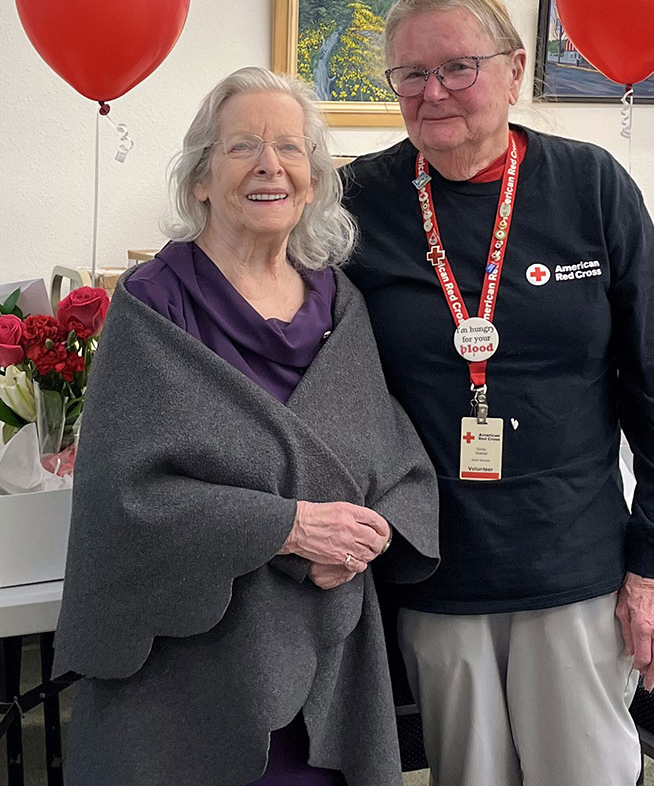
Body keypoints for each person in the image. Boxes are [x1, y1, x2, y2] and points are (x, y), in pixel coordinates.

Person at [342, 0, 654, 786]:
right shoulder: (358, 201)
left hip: (572, 560)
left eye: (458, 68)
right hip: (436, 565)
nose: (433, 92)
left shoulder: (590, 186)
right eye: (411, 74)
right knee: (466, 775)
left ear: (513, 72)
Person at [52, 66, 440, 786]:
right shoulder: (154, 302)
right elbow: (123, 495)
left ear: (315, 181)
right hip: (192, 662)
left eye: (291, 148)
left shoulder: (340, 303)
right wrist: (288, 528)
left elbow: (399, 463)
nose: (271, 165)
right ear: (200, 179)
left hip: (329, 653)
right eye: (242, 148)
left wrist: (371, 532)